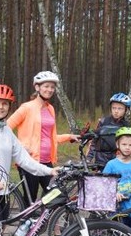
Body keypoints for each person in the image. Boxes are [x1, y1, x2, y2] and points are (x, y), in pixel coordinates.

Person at [0, 83, 59, 223]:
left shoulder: (6, 130)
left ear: (9, 107)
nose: (0, 107)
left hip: (3, 191)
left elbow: (24, 160)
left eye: (5, 104)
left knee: (0, 231)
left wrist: (49, 171)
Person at [6, 71, 79, 203]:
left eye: (52, 87)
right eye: (46, 86)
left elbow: (49, 137)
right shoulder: (27, 107)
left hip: (47, 161)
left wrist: (69, 136)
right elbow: (6, 127)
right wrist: (20, 145)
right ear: (37, 87)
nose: (49, 89)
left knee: (55, 197)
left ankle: (49, 223)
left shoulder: (50, 108)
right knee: (30, 200)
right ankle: (27, 223)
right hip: (29, 161)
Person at [87, 93, 131, 168]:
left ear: (126, 110)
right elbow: (94, 142)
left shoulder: (127, 126)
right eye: (114, 108)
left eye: (119, 108)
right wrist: (89, 158)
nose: (116, 111)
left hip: (119, 160)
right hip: (101, 161)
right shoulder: (103, 122)